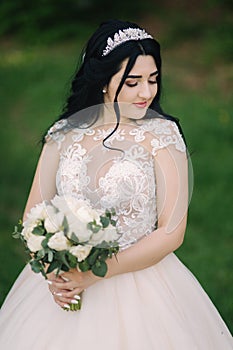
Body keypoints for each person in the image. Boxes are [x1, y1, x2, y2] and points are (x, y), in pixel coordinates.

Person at [0, 19, 232, 349]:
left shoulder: (163, 136)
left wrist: (95, 274)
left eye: (153, 79)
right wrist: (55, 274)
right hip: (64, 285)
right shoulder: (63, 134)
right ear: (103, 81)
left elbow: (172, 231)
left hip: (144, 285)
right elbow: (31, 217)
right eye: (133, 81)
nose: (146, 92)